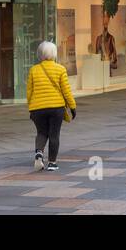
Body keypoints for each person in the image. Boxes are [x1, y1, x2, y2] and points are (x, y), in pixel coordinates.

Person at [27, 40, 77, 172]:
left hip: (37, 108)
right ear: (54, 54)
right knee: (54, 135)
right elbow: (66, 90)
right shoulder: (60, 69)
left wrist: (31, 108)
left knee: (41, 132)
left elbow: (29, 92)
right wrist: (72, 107)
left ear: (40, 54)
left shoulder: (33, 70)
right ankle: (52, 163)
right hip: (56, 108)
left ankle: (39, 153)